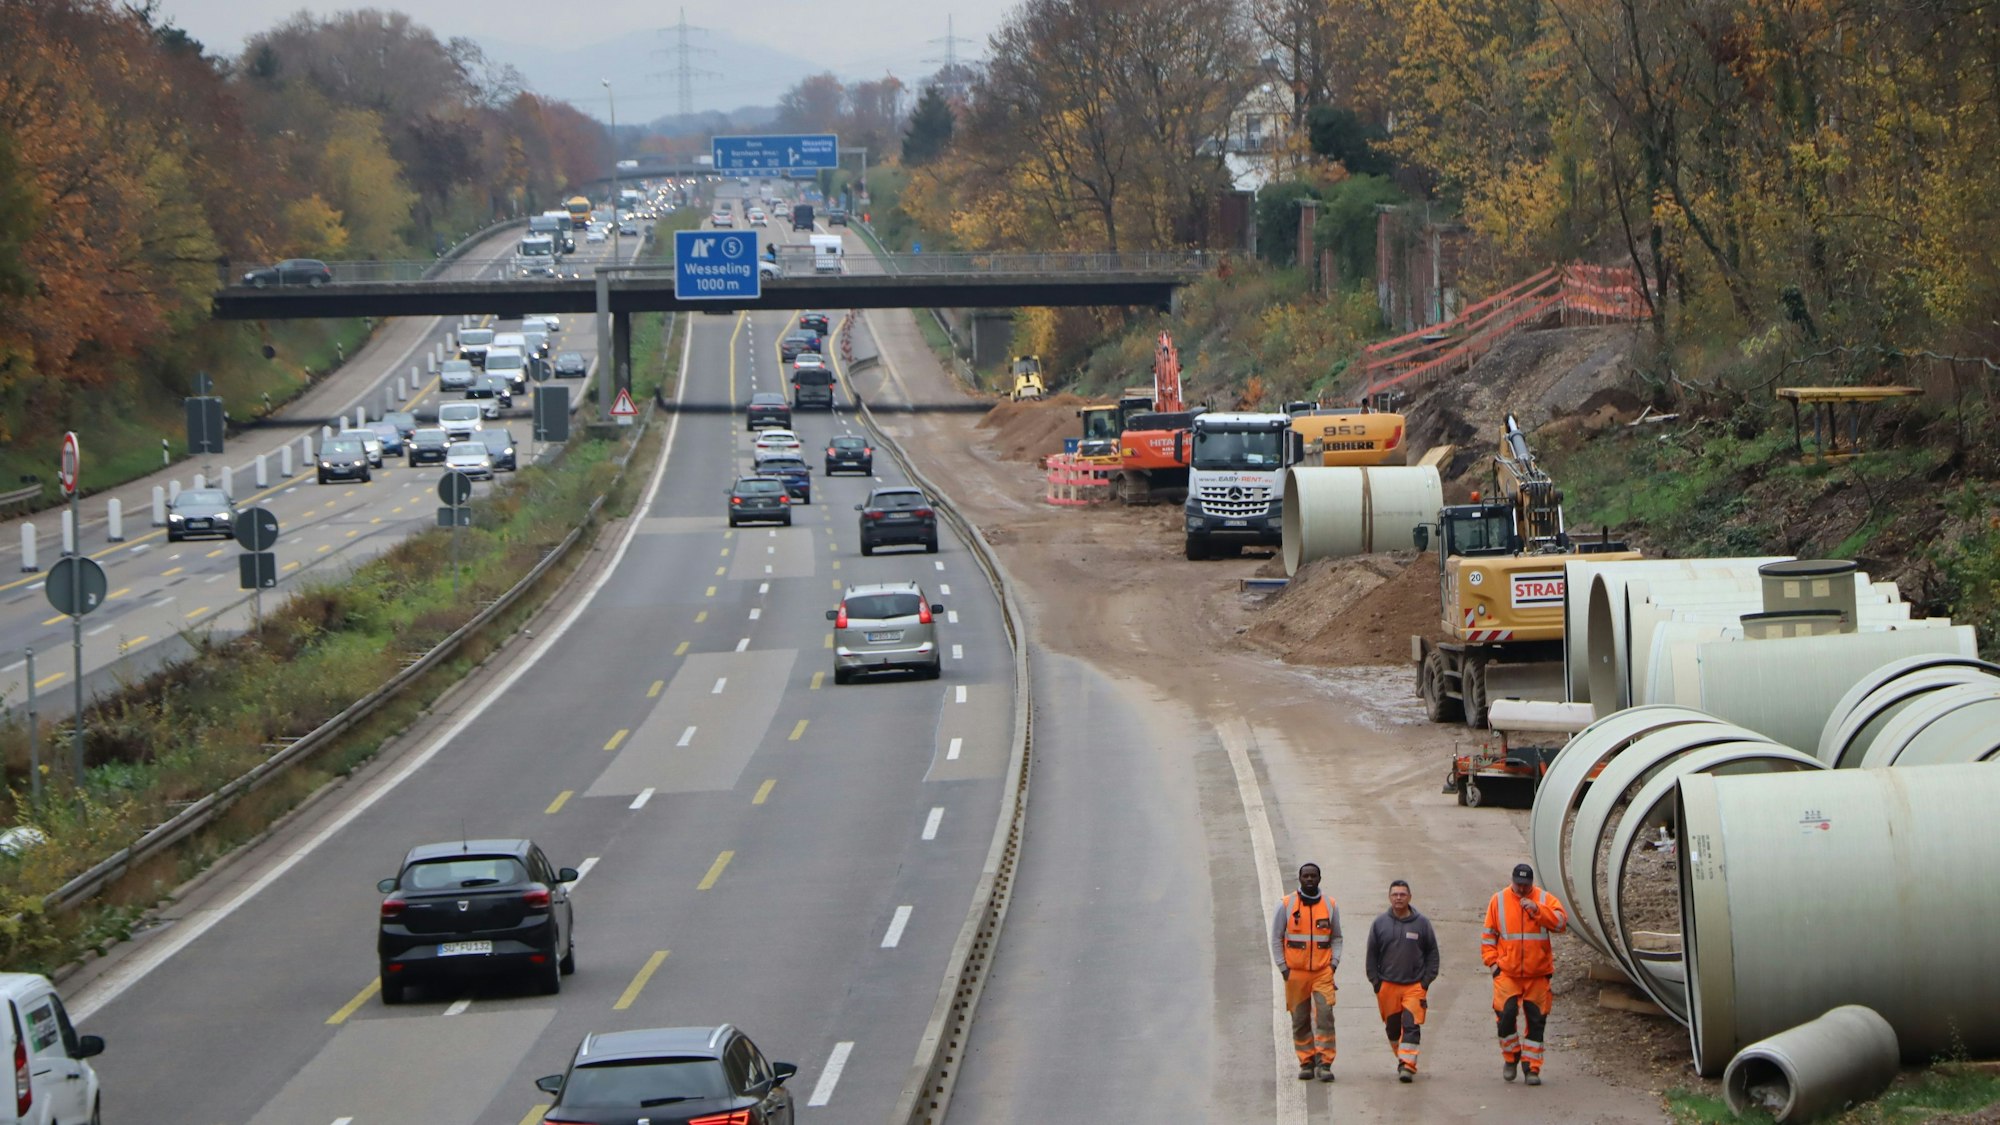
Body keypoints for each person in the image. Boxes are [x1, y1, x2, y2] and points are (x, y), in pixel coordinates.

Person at [1481, 862, 1569, 1086]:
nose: (1521, 889)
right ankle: (1511, 1057)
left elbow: (1561, 923)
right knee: (1506, 1016)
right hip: (1507, 974)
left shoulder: (1544, 899)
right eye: (1518, 884)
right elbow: (1488, 936)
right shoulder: (1498, 900)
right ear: (1512, 881)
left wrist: (1538, 911)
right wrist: (1494, 966)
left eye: (1525, 885)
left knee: (1537, 1021)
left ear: (1531, 883)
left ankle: (1532, 1068)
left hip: (1537, 974)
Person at [1271, 862, 1343, 1081]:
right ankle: (1306, 1061)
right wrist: (1284, 969)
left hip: (1322, 973)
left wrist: (1333, 965)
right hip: (1295, 974)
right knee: (1300, 1019)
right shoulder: (1286, 905)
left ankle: (1325, 1063)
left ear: (1319, 878)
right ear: (1300, 879)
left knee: (1325, 1016)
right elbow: (1276, 938)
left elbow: (1336, 938)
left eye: (1313, 876)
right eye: (1306, 876)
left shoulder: (1330, 905)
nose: (1310, 879)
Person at [1365, 879, 1440, 1083]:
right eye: (1395, 894)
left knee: (1411, 1025)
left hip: (1414, 986)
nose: (1399, 898)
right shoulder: (1379, 924)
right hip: (1387, 986)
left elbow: (1432, 953)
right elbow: (1371, 955)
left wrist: (1425, 982)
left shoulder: (1422, 923)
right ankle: (1402, 1057)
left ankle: (1407, 1065)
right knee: (1393, 1028)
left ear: (1410, 897)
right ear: (1389, 897)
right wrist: (1376, 983)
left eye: (1402, 894)